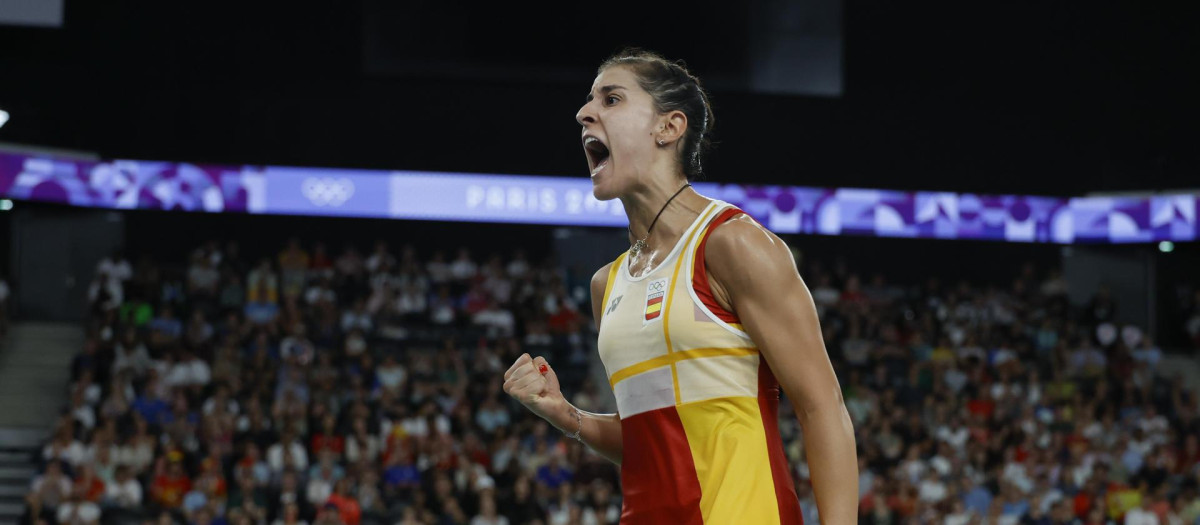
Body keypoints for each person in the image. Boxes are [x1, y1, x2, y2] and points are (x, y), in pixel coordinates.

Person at [503, 49, 857, 524]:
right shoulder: (605, 285)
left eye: (611, 99)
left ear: (668, 128)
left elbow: (822, 408)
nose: (584, 113)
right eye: (590, 101)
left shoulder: (733, 244)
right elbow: (653, 443)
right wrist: (569, 416)